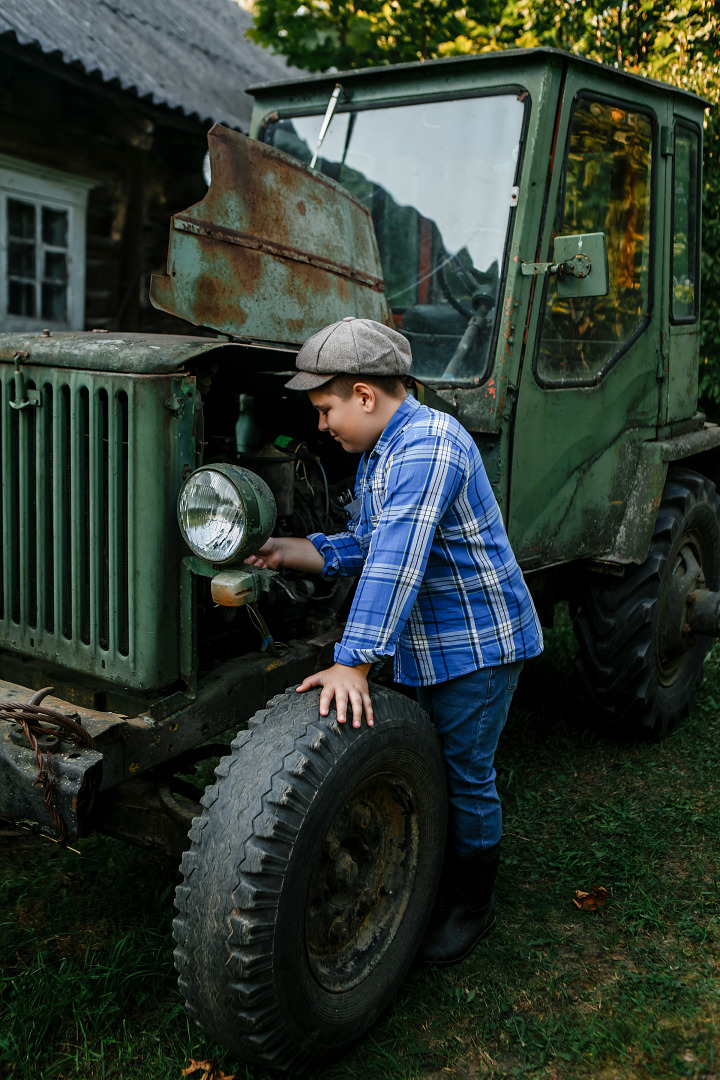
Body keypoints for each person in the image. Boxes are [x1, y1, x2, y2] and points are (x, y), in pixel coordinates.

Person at [245, 315, 543, 966]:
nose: (321, 426)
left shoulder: (430, 445)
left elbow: (396, 560)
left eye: (325, 409)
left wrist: (352, 662)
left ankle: (471, 909)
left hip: (477, 647)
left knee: (466, 777)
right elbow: (364, 545)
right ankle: (430, 876)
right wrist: (289, 550)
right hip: (427, 642)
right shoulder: (384, 451)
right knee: (426, 763)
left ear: (364, 395)